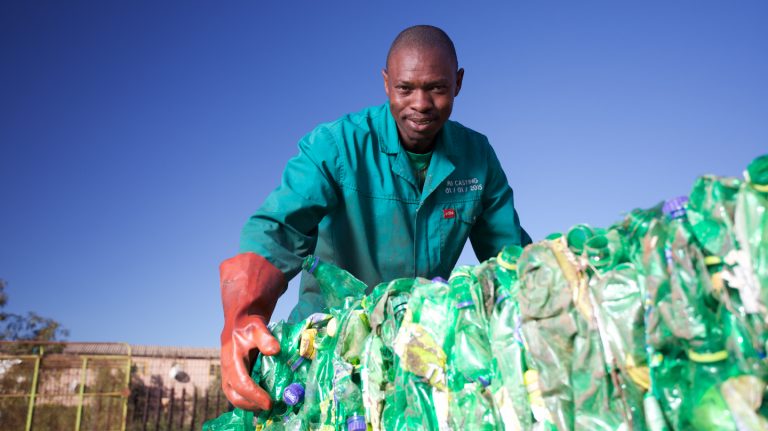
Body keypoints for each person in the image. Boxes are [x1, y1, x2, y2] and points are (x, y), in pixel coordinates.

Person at [218, 25, 532, 411]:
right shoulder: (336, 147)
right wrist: (243, 314)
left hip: (415, 359)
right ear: (386, 83)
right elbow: (277, 230)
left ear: (458, 83)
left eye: (436, 88)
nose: (420, 103)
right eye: (405, 88)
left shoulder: (477, 157)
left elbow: (509, 259)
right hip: (325, 354)